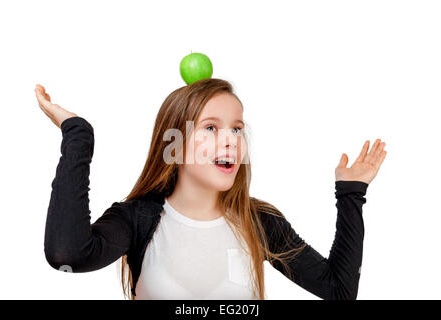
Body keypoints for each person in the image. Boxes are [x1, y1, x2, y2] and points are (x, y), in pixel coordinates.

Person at [35, 78, 387, 300]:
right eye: (211, 128)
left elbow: (339, 291)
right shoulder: (137, 219)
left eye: (236, 129)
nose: (231, 141)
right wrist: (79, 136)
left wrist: (351, 194)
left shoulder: (260, 223)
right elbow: (67, 254)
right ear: (173, 143)